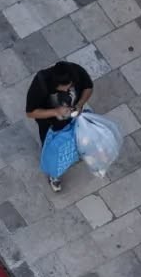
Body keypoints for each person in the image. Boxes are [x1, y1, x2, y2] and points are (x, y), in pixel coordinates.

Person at [25, 61, 95, 191]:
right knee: (54, 152)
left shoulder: (75, 71)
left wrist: (79, 104)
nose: (68, 90)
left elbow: (88, 87)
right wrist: (56, 111)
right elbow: (30, 113)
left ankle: (76, 152)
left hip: (74, 120)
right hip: (51, 127)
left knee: (77, 140)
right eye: (65, 88)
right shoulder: (40, 84)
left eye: (70, 86)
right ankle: (54, 174)